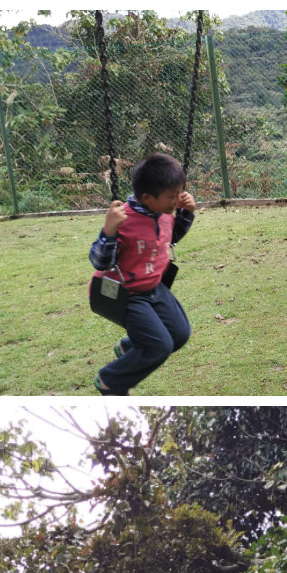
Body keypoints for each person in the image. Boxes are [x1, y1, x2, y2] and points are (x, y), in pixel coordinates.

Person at [89, 152, 195, 396]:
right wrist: (108, 231)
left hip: (155, 287)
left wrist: (186, 214)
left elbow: (170, 238)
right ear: (147, 198)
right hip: (127, 293)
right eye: (172, 196)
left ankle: (129, 350)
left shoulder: (164, 212)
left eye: (180, 193)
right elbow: (100, 262)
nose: (177, 199)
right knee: (159, 346)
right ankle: (110, 380)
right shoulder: (123, 220)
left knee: (179, 335)